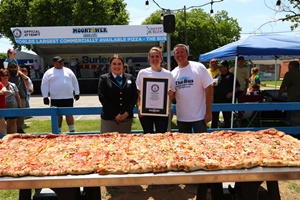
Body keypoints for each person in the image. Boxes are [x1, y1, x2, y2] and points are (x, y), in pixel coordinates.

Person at [171, 44, 213, 133]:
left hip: (200, 117)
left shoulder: (199, 67)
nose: (179, 55)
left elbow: (208, 90)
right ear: (174, 56)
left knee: (202, 144)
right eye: (177, 53)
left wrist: (208, 112)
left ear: (187, 54)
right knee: (184, 145)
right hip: (182, 117)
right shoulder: (173, 74)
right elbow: (173, 94)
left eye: (182, 52)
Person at [136, 47, 175, 134]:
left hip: (161, 111)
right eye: (152, 56)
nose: (155, 59)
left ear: (161, 58)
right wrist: (139, 107)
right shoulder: (142, 73)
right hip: (145, 111)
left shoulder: (168, 74)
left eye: (157, 56)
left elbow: (173, 94)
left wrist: (171, 94)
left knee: (161, 136)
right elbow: (138, 92)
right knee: (147, 135)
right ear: (149, 58)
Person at [98, 54, 137, 133]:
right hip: (109, 119)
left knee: (126, 144)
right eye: (114, 64)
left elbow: (134, 96)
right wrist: (115, 114)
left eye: (119, 64)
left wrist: (127, 112)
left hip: (126, 119)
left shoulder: (130, 78)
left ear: (123, 65)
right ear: (110, 65)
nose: (117, 66)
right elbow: (102, 97)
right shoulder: (104, 79)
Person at [41, 56, 80, 133]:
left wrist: (77, 93)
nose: (62, 63)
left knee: (69, 114)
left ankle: (71, 130)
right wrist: (45, 96)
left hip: (68, 97)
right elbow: (44, 84)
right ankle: (58, 131)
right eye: (59, 61)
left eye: (62, 61)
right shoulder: (48, 72)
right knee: (58, 115)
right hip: (55, 98)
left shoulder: (68, 71)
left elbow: (75, 82)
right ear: (55, 63)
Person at [211, 60, 240, 128]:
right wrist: (213, 85)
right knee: (214, 117)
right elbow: (213, 84)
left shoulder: (231, 76)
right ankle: (213, 131)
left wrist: (231, 93)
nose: (220, 68)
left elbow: (238, 86)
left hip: (226, 99)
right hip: (217, 99)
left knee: (227, 117)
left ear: (226, 67)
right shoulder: (217, 75)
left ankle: (227, 132)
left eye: (221, 67)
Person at [8, 63, 29, 133]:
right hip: (12, 98)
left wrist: (19, 71)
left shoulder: (20, 75)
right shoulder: (7, 76)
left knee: (21, 114)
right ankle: (10, 130)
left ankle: (19, 128)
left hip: (22, 96)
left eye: (15, 67)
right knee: (12, 115)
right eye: (11, 67)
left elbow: (26, 79)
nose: (13, 69)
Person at [0, 69, 22, 134]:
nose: (5, 76)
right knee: (4, 124)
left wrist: (20, 106)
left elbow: (17, 96)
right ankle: (4, 137)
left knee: (13, 122)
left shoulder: (13, 85)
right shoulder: (0, 84)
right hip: (2, 107)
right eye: (3, 75)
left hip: (12, 106)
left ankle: (14, 136)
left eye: (7, 75)